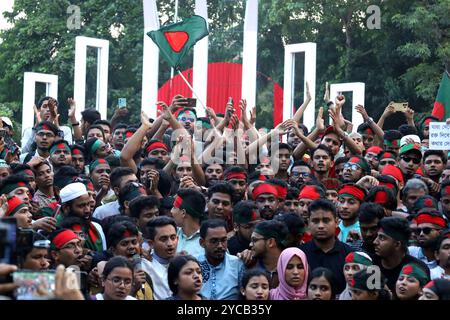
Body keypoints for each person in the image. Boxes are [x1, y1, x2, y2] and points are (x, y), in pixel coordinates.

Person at [300, 199, 353, 294]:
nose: (320, 226)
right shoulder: (300, 254)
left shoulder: (349, 255)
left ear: (336, 222)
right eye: (315, 221)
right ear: (308, 223)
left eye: (326, 221)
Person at [372, 216, 430, 295]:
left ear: (397, 244)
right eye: (377, 236)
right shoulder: (371, 263)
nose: (375, 242)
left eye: (382, 238)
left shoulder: (418, 268)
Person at [197, 219, 245, 300]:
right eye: (214, 241)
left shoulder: (237, 264)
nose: (220, 245)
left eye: (223, 240)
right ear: (202, 243)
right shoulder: (195, 264)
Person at [141, 216, 178, 300]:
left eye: (173, 238)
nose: (170, 243)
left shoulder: (186, 264)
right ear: (151, 243)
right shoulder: (144, 267)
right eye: (163, 239)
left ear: (177, 239)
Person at [248, 220, 288, 288]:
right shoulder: (250, 265)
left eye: (254, 240)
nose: (250, 244)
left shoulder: (291, 267)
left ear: (271, 242)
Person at [171, 188, 205, 257]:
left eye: (174, 207)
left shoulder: (207, 241)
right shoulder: (171, 235)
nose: (171, 211)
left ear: (183, 213)